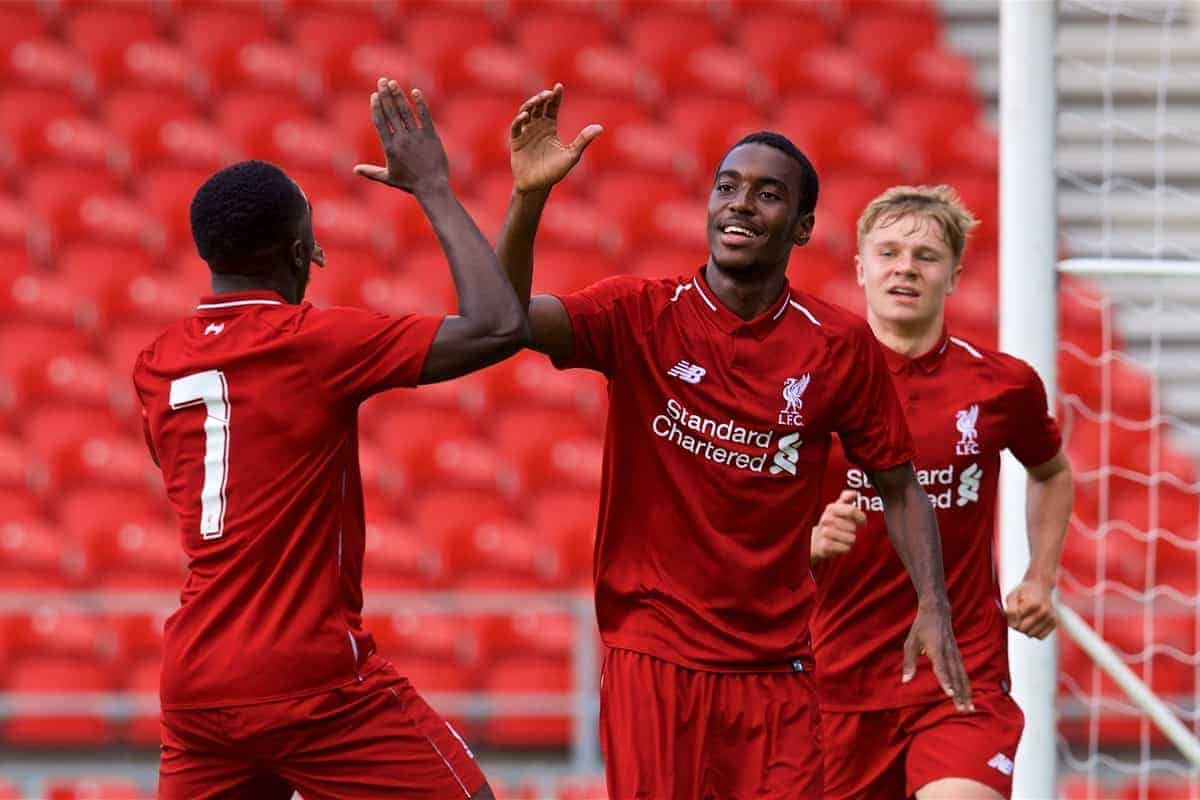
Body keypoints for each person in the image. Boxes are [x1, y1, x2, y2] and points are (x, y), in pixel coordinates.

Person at [494, 84, 972, 799]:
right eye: (728, 187)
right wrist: (528, 200)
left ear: (803, 227)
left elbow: (899, 483)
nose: (742, 203)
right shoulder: (640, 313)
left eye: (768, 194)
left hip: (776, 668)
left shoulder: (838, 345)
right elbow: (505, 321)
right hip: (654, 654)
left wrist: (933, 606)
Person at [133, 79, 523, 800]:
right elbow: (499, 324)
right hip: (306, 679)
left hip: (195, 686)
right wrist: (433, 187)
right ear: (299, 247)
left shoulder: (156, 361)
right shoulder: (311, 341)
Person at [809, 185, 1073, 800]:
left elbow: (1052, 471)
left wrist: (1040, 576)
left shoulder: (1002, 386)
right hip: (837, 683)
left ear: (954, 275)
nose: (905, 267)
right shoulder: (809, 383)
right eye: (889, 252)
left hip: (960, 675)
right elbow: (747, 512)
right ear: (860, 268)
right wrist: (809, 541)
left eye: (926, 256)